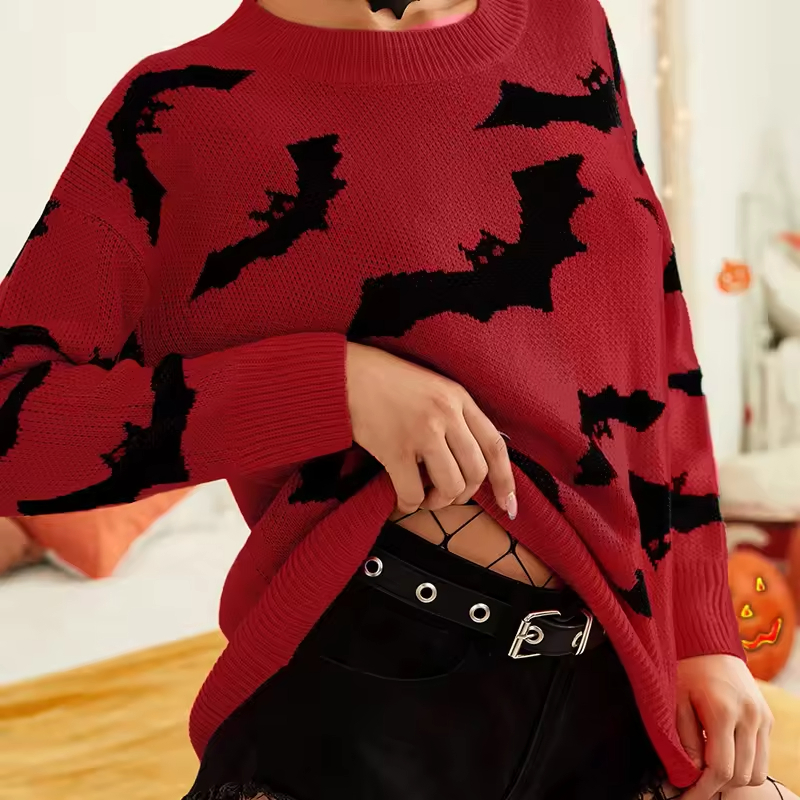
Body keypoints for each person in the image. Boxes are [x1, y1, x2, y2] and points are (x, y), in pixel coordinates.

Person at [0, 0, 793, 798]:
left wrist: (702, 633)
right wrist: (329, 387)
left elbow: (654, 339)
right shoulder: (179, 112)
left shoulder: (566, 21)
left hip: (614, 675)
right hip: (369, 695)